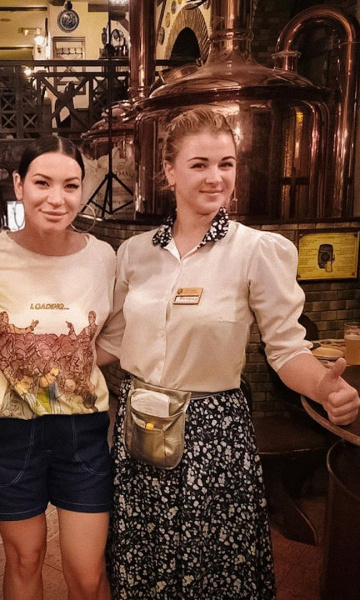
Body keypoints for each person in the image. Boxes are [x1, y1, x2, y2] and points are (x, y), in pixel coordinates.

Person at [96, 107, 360, 599]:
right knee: (146, 560)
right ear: (170, 172)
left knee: (213, 569)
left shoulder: (257, 251)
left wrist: (322, 387)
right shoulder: (135, 253)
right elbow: (113, 340)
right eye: (199, 164)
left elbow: (286, 349)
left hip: (213, 432)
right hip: (141, 426)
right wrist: (54, 357)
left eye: (226, 164)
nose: (215, 177)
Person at [0, 136, 115, 600]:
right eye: (42, 183)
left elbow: (114, 339)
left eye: (70, 185)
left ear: (82, 189)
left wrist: (62, 364)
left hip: (83, 432)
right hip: (10, 433)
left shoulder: (103, 257)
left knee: (86, 574)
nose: (56, 198)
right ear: (18, 185)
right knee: (24, 560)